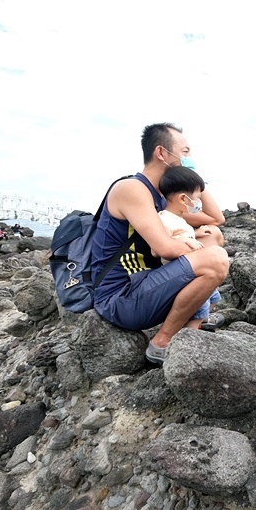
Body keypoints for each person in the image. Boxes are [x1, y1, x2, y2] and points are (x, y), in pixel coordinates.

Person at [91, 123, 229, 364]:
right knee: (214, 258)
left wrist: (193, 178)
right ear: (162, 154)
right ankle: (162, 342)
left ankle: (196, 315)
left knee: (212, 236)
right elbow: (164, 248)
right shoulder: (132, 189)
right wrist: (196, 247)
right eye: (185, 152)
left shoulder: (163, 198)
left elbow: (216, 218)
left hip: (146, 286)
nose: (190, 158)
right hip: (121, 298)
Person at [155, 165, 224, 331]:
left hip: (192, 267)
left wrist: (195, 234)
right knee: (198, 307)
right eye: (197, 198)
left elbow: (182, 233)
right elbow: (160, 247)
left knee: (214, 297)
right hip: (180, 271)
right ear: (184, 199)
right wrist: (186, 241)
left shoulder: (180, 217)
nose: (199, 202)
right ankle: (190, 334)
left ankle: (201, 319)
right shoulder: (164, 219)